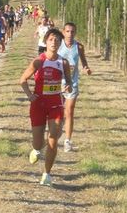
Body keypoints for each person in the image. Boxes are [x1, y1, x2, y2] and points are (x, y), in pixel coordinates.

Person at [20, 28, 72, 186]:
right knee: (38, 141)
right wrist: (30, 95)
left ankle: (47, 174)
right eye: (51, 39)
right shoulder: (39, 61)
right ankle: (36, 149)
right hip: (38, 105)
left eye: (57, 40)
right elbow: (22, 79)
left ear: (60, 43)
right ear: (46, 41)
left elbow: (68, 81)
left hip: (56, 105)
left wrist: (67, 87)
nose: (54, 42)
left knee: (53, 139)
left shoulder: (63, 63)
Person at [57, 22, 92, 152]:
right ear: (63, 32)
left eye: (72, 32)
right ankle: (54, 135)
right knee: (58, 112)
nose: (70, 34)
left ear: (75, 33)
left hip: (72, 83)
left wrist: (86, 68)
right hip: (58, 83)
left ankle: (67, 141)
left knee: (69, 111)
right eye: (67, 31)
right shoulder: (58, 45)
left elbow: (83, 61)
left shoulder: (79, 47)